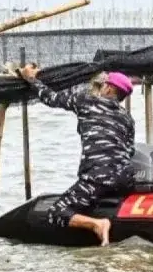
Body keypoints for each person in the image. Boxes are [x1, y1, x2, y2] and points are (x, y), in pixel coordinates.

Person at [18, 66, 135, 246]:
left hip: (97, 177)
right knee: (96, 193)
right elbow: (130, 151)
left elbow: (51, 98)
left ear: (109, 89)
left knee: (57, 212)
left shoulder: (87, 101)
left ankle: (97, 224)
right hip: (124, 180)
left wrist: (31, 79)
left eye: (104, 85)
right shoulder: (127, 118)